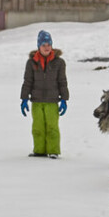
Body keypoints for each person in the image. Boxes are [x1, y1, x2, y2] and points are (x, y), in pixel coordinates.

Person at [20, 29, 69, 158]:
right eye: (44, 45)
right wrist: (24, 98)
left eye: (49, 44)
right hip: (36, 101)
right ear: (38, 46)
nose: (46, 47)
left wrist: (64, 99)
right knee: (38, 127)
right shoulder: (31, 63)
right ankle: (39, 150)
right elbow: (27, 81)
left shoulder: (59, 63)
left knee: (52, 127)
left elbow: (62, 82)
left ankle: (53, 150)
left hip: (52, 101)